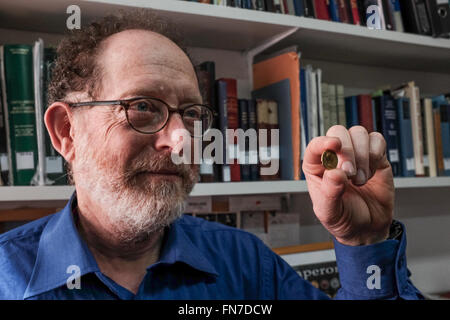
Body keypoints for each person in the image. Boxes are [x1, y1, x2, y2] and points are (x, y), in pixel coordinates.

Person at [0, 9, 423, 300]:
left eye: (192, 114)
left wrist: (363, 242)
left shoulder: (246, 265)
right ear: (66, 132)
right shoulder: (7, 276)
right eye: (143, 107)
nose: (180, 140)